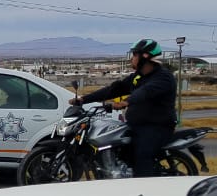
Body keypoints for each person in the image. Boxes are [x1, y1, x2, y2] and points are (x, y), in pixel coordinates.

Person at [70, 38, 176, 177]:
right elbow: (114, 89)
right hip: (135, 125)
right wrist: (84, 99)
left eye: (135, 55)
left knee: (142, 155)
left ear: (145, 57)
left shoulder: (163, 77)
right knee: (118, 149)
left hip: (156, 127)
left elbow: (145, 92)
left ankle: (145, 185)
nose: (132, 58)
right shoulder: (138, 76)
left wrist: (125, 102)